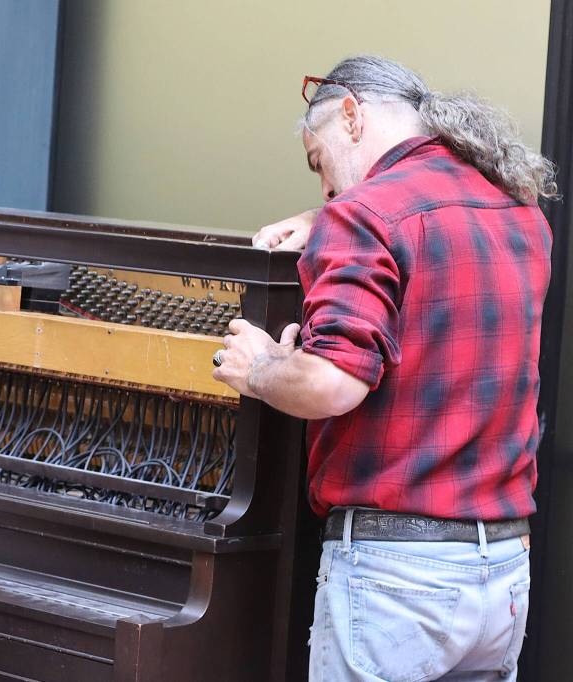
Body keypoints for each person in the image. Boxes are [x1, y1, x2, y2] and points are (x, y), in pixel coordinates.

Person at [213, 55, 555, 681]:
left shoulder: (363, 217)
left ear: (351, 116)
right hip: (503, 570)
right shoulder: (518, 209)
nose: (326, 190)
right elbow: (427, 232)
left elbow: (330, 382)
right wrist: (326, 221)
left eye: (320, 165)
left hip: (397, 579)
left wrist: (262, 365)